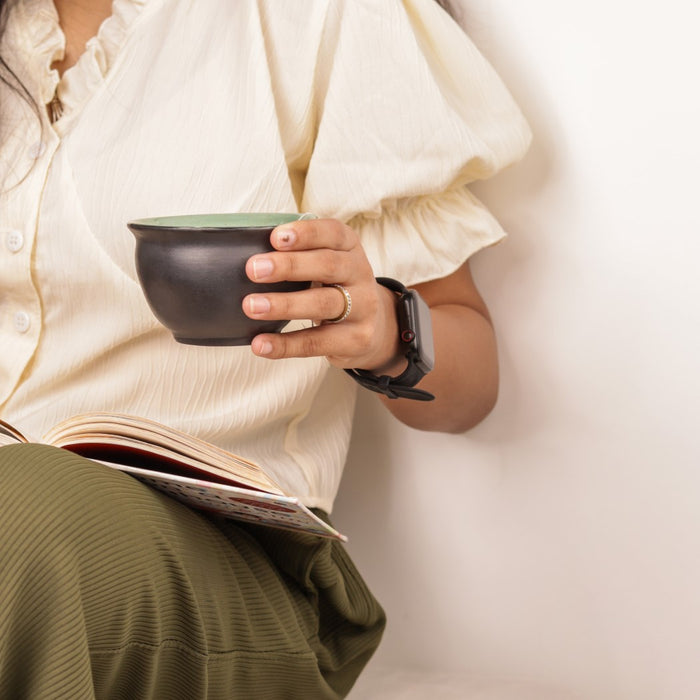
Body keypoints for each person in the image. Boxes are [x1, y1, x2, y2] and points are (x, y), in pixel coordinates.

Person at [0, 0, 531, 697]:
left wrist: (381, 332)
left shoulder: (322, 15)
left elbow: (469, 385)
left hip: (218, 567)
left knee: (23, 511)